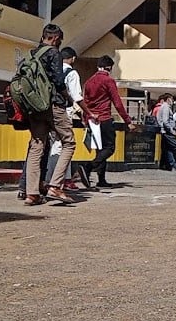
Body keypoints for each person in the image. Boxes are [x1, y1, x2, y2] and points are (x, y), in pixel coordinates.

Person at [23, 24, 77, 206]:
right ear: (55, 38)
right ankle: (55, 185)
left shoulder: (32, 54)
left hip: (35, 107)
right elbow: (58, 81)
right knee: (69, 141)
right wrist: (68, 99)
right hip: (52, 104)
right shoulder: (54, 53)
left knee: (36, 146)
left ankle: (31, 193)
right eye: (59, 40)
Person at [45, 47, 98, 190]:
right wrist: (88, 113)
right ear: (73, 58)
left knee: (54, 146)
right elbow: (77, 97)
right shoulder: (72, 73)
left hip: (48, 111)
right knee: (65, 146)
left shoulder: (51, 70)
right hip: (63, 111)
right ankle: (62, 180)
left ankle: (51, 178)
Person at [80, 55, 137, 188]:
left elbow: (84, 101)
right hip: (104, 118)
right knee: (109, 148)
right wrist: (127, 120)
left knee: (100, 150)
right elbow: (117, 103)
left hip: (91, 119)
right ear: (110, 67)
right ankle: (88, 166)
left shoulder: (89, 81)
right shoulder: (108, 81)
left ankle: (101, 179)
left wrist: (85, 118)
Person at [157, 93, 176, 170]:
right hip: (167, 132)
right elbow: (165, 121)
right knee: (175, 146)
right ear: (168, 99)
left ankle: (169, 164)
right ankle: (172, 164)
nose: (172, 101)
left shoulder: (165, 107)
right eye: (172, 99)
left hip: (166, 131)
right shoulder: (166, 107)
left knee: (168, 149)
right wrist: (171, 130)